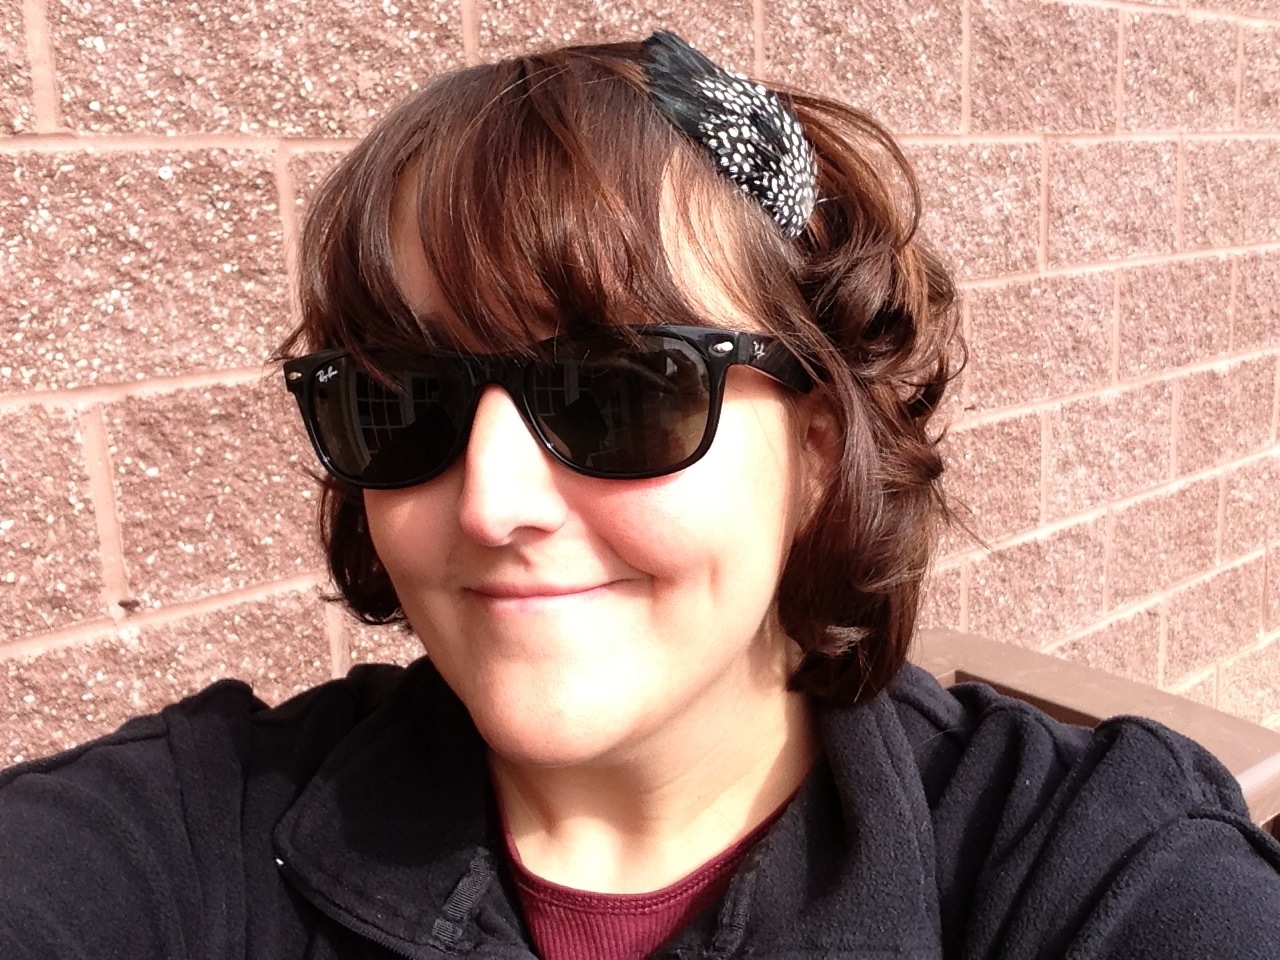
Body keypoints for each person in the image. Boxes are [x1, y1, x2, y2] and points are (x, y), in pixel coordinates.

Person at [1, 31, 1278, 960]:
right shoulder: (200, 828)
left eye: (617, 391)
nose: (492, 501)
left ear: (818, 445)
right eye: (402, 400)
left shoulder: (1079, 865)